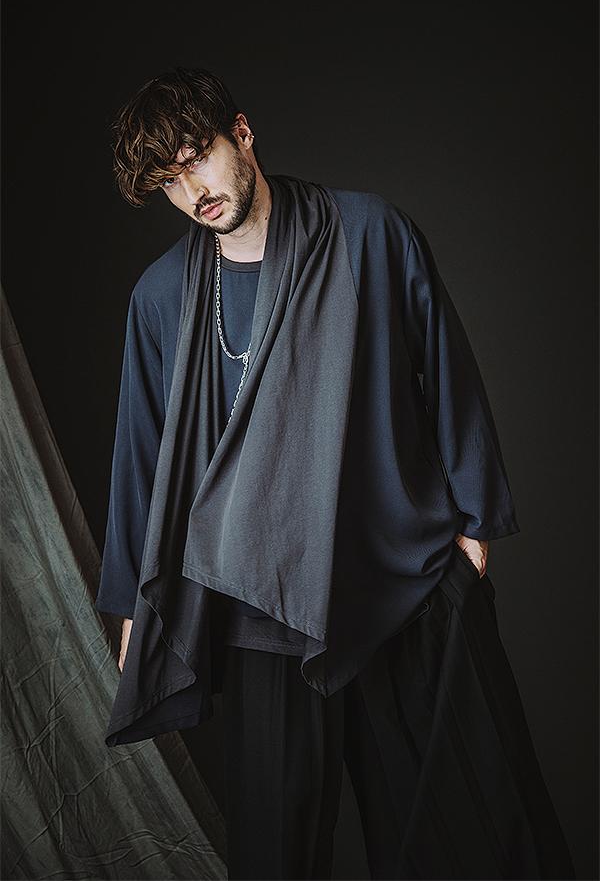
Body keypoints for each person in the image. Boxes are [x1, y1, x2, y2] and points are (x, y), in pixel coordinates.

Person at [94, 66, 575, 880]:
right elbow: (142, 456)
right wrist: (136, 610)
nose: (194, 190)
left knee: (470, 837)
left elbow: (444, 363)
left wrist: (474, 526)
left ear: (242, 133)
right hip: (259, 611)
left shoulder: (369, 233)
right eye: (170, 180)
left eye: (198, 156)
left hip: (398, 585)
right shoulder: (162, 298)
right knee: (276, 855)